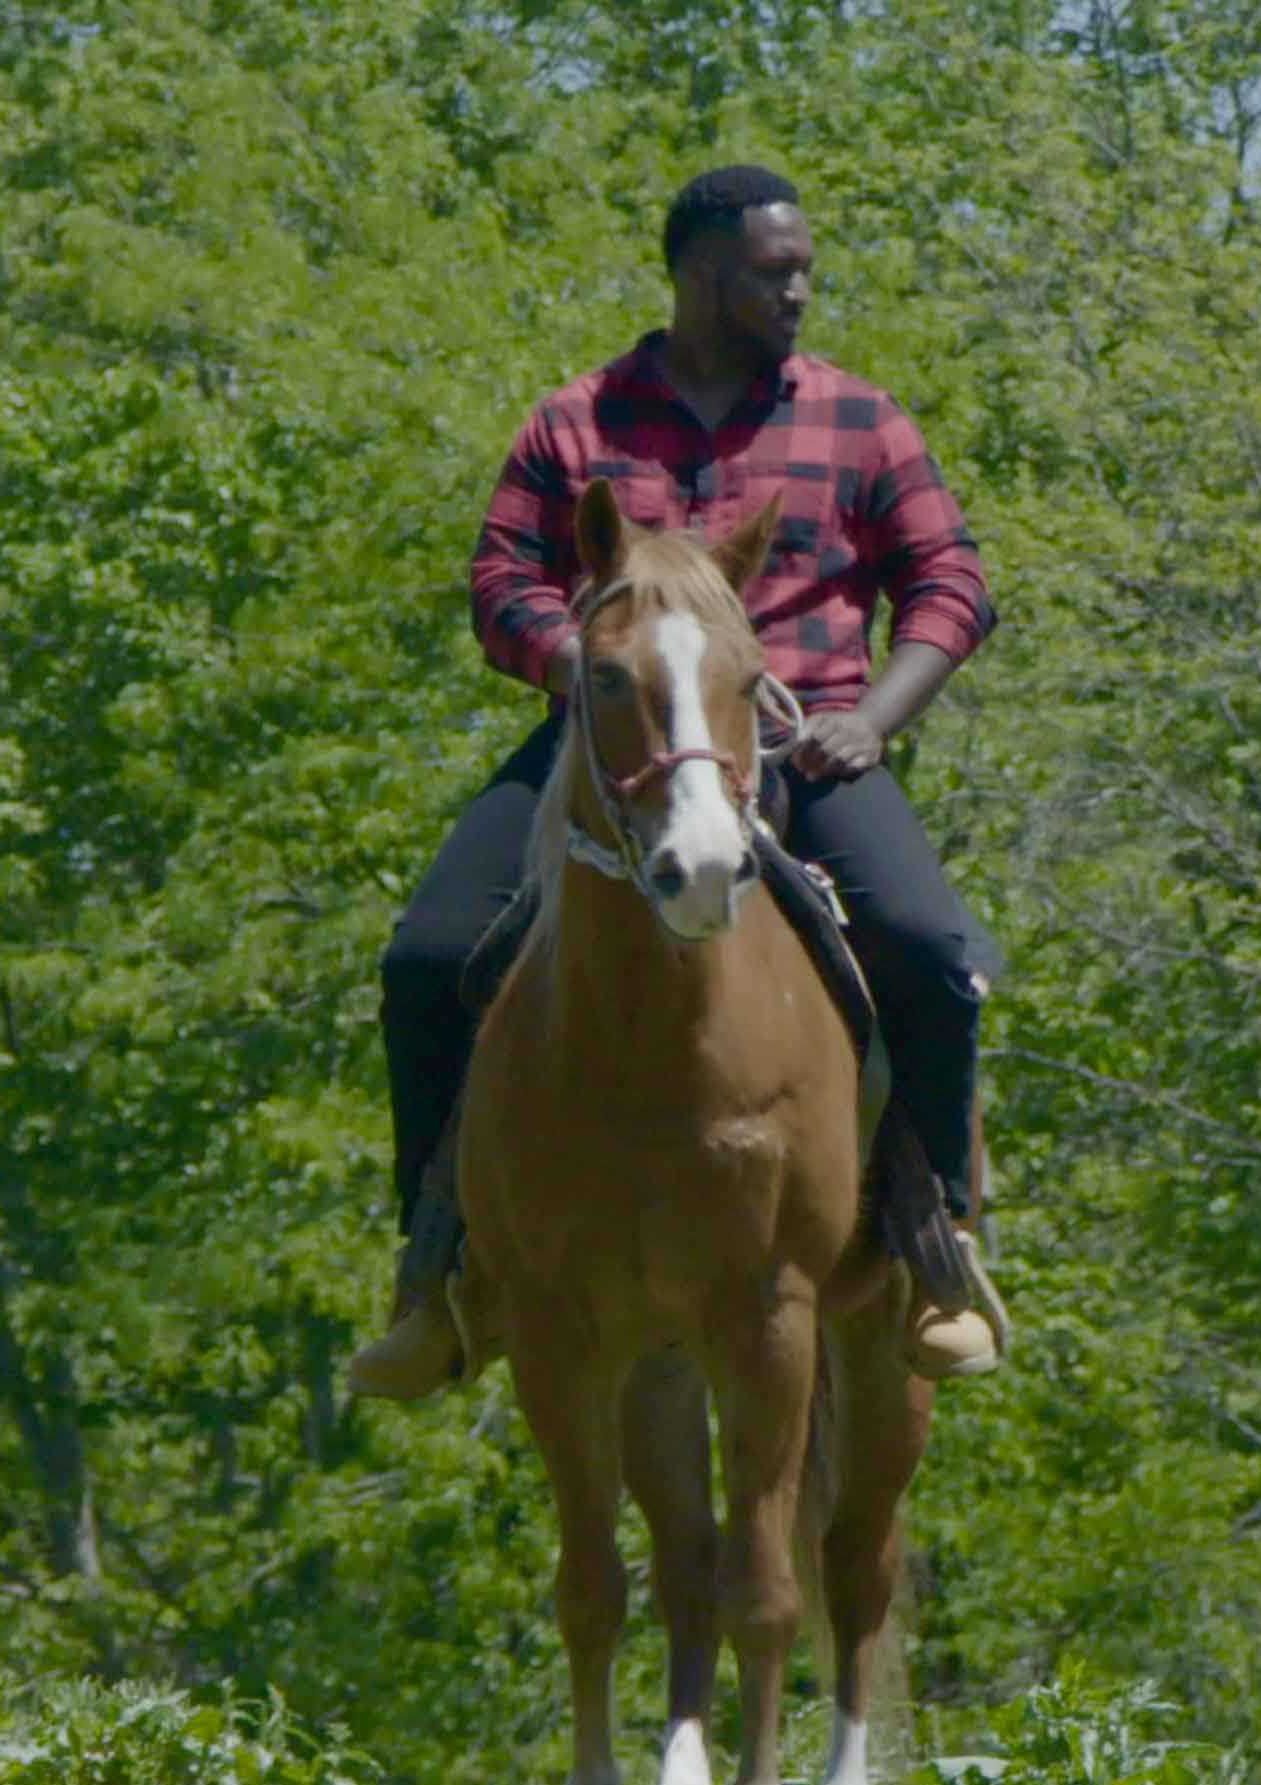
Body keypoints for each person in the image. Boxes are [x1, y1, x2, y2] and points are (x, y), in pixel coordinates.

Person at [346, 164, 1007, 1400]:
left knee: (928, 946)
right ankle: (432, 1273)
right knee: (427, 959)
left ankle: (939, 1247)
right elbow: (501, 583)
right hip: (612, 753)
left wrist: (870, 718)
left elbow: (951, 587)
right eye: (773, 271)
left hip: (805, 748)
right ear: (701, 273)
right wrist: (589, 669)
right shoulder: (574, 423)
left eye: (803, 265)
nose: (800, 288)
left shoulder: (861, 422)